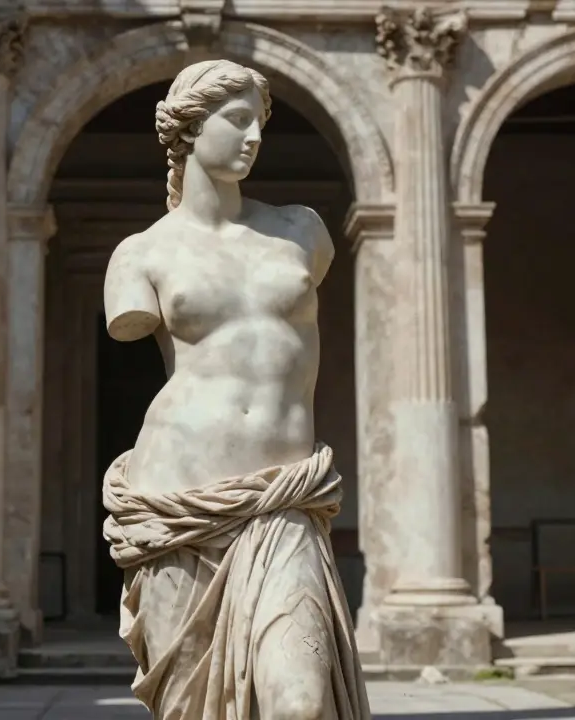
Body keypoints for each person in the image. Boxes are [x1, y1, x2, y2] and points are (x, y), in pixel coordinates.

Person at [100, 59, 371, 720]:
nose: (255, 137)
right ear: (190, 127)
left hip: (281, 498)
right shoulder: (140, 255)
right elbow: (131, 321)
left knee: (300, 702)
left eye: (260, 123)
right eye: (238, 119)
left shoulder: (301, 231)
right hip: (179, 499)